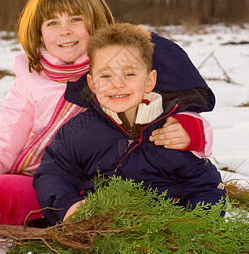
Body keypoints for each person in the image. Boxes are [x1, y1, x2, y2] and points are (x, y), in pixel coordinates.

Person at [0, 0, 212, 240]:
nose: (65, 31)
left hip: (50, 174)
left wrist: (192, 128)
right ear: (38, 31)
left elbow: (173, 98)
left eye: (76, 19)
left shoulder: (115, 68)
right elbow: (1, 144)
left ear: (96, 22)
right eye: (52, 22)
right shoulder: (32, 73)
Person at [33, 23, 225, 225]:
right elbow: (53, 173)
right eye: (106, 75)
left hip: (163, 228)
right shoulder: (76, 131)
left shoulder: (171, 131)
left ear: (150, 81)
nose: (117, 83)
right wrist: (69, 206)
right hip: (100, 227)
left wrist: (195, 224)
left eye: (129, 74)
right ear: (92, 84)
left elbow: (204, 185)